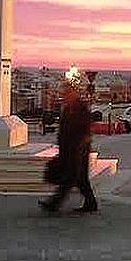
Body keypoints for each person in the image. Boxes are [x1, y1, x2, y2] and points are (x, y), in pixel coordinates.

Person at [39, 85, 98, 214]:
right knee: (80, 179)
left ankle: (53, 204)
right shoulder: (67, 109)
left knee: (71, 178)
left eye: (67, 93)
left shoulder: (81, 108)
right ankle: (91, 202)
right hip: (69, 148)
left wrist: (80, 146)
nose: (64, 96)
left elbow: (85, 130)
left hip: (78, 149)